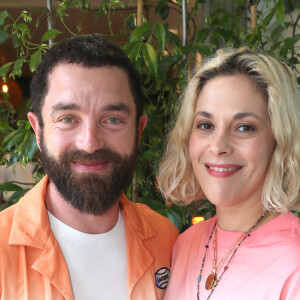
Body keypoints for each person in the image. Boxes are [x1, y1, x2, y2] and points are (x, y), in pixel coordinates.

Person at [0, 34, 178, 300]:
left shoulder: (166, 238)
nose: (90, 144)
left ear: (138, 130)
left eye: (113, 119)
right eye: (68, 119)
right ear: (38, 131)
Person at [158, 47, 300, 299]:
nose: (218, 146)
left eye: (244, 127)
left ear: (279, 140)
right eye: (205, 125)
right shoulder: (185, 243)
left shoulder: (294, 260)